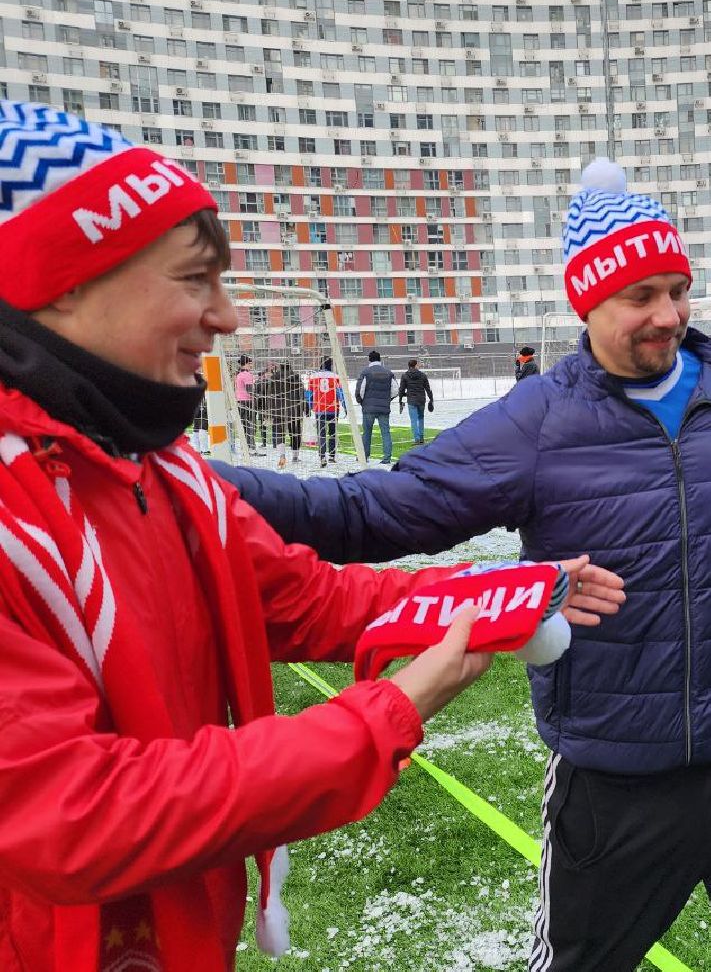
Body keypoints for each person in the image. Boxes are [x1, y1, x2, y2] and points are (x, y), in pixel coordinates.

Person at [0, 102, 623, 968]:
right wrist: (389, 713)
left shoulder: (165, 471)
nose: (228, 318)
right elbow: (74, 812)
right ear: (64, 280)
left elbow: (306, 599)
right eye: (194, 280)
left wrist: (503, 598)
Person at [212, 158, 711, 972]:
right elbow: (379, 510)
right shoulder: (540, 420)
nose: (669, 315)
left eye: (677, 289)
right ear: (588, 302)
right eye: (640, 297)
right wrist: (207, 486)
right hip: (614, 777)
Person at [354, 349, 394, 465]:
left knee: (367, 432)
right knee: (386, 432)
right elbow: (395, 390)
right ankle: (387, 457)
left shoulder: (365, 372)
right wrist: (387, 399)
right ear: (380, 359)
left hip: (368, 408)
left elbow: (360, 390)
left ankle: (364, 456)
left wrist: (361, 401)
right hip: (384, 408)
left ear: (369, 359)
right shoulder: (389, 372)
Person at [307, 357, 346, 467]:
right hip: (333, 409)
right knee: (332, 433)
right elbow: (340, 393)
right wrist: (345, 406)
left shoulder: (313, 377)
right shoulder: (336, 377)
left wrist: (309, 407)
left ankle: (322, 456)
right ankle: (332, 456)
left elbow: (309, 394)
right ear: (331, 365)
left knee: (321, 433)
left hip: (319, 409)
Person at [269, 361, 306, 467]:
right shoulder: (296, 377)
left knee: (280, 433)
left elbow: (271, 394)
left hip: (279, 410)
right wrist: (304, 408)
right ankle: (295, 456)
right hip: (294, 410)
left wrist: (271, 410)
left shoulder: (274, 377)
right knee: (295, 433)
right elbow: (301, 393)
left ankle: (282, 456)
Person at [397, 358, 434, 445]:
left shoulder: (405, 376)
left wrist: (400, 399)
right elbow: (428, 389)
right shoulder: (423, 375)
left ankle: (417, 439)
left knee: (413, 420)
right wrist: (431, 399)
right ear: (415, 365)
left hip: (411, 400)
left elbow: (401, 389)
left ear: (409, 366)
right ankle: (421, 438)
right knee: (421, 418)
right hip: (421, 400)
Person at [234, 353, 258, 449]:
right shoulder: (247, 375)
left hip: (240, 401)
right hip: (247, 402)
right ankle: (251, 447)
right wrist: (257, 397)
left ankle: (246, 447)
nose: (251, 365)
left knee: (244, 425)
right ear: (247, 363)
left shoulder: (239, 374)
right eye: (250, 363)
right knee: (250, 425)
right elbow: (249, 390)